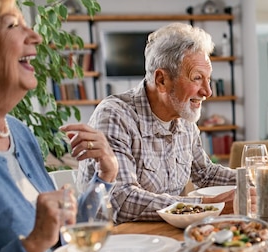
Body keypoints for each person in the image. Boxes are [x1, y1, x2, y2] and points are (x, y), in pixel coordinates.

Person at [0, 0, 118, 252]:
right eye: (13, 25)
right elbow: (41, 241)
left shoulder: (18, 132)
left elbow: (65, 236)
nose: (36, 37)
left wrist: (106, 174)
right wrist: (31, 246)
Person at [79, 23, 237, 223]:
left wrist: (258, 177)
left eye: (208, 79)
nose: (207, 91)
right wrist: (208, 206)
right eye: (197, 78)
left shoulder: (184, 118)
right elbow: (122, 200)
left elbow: (205, 173)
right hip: (113, 241)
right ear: (162, 80)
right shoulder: (115, 115)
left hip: (162, 236)